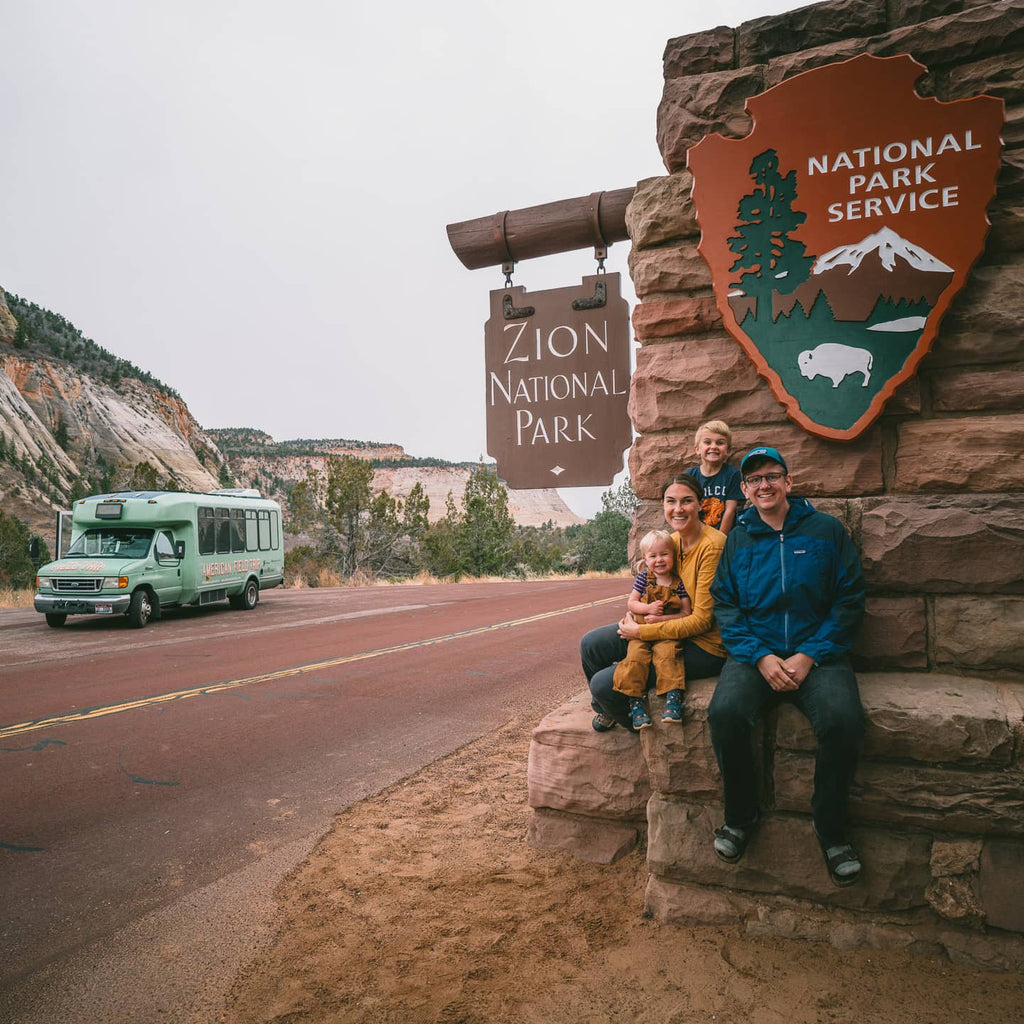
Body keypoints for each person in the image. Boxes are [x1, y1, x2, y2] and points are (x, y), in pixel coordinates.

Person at [708, 445, 866, 887]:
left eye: (772, 476)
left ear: (788, 482)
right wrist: (759, 656)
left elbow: (850, 599)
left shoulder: (825, 531)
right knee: (725, 714)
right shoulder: (738, 538)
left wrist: (809, 653)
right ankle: (740, 818)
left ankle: (831, 830)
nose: (764, 485)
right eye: (755, 480)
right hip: (754, 654)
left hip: (819, 655)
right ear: (745, 489)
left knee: (843, 721)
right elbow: (726, 605)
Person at [583, 474, 727, 732]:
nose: (678, 509)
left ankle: (643, 736)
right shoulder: (670, 542)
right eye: (671, 501)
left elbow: (702, 621)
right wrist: (633, 614)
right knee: (592, 645)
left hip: (704, 645)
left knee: (603, 685)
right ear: (663, 505)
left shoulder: (713, 546)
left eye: (687, 501)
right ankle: (607, 710)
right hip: (661, 624)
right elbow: (646, 585)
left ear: (701, 504)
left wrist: (641, 631)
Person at [612, 529, 692, 729]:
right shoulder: (643, 579)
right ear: (646, 560)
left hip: (666, 633)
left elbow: (686, 613)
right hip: (640, 633)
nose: (660, 560)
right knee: (635, 658)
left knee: (669, 655)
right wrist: (647, 608)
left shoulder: (678, 583)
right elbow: (632, 603)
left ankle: (673, 701)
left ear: (673, 556)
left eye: (664, 554)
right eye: (653, 556)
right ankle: (636, 703)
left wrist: (662, 618)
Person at [685, 420, 744, 534]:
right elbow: (687, 509)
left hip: (722, 535)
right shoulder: (690, 476)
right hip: (695, 534)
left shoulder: (732, 474)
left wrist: (719, 540)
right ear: (697, 449)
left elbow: (730, 511)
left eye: (720, 443)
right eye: (707, 442)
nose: (713, 446)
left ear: (727, 450)